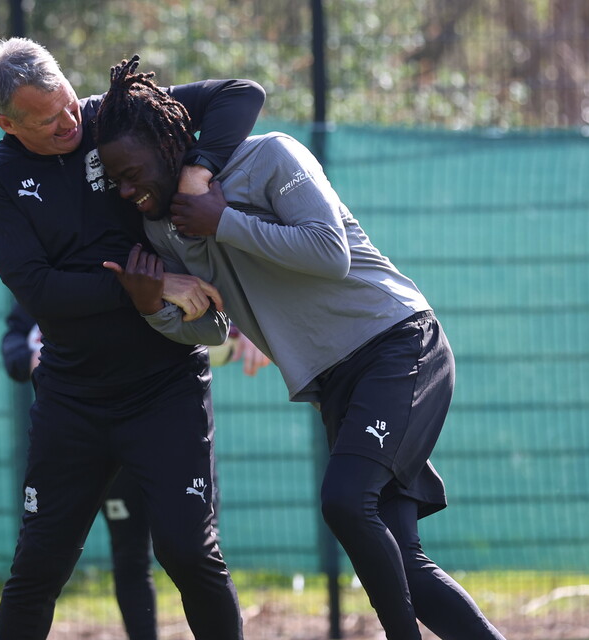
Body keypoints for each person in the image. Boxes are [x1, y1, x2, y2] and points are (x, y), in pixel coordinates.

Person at [96, 58, 506, 640]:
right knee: (404, 564)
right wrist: (153, 305)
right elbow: (213, 330)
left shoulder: (272, 156)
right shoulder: (165, 229)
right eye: (115, 181)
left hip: (397, 342)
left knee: (345, 502)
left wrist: (223, 220)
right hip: (335, 384)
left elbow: (328, 252)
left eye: (131, 173)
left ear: (168, 148)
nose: (126, 190)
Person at [0, 38, 264, 640]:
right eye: (47, 120)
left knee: (189, 553)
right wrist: (144, 289)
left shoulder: (115, 115)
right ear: (6, 123)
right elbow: (41, 292)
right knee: (37, 571)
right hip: (72, 401)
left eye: (69, 104)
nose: (70, 123)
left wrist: (197, 170)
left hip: (166, 388)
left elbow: (242, 95)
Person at [1, 301, 269, 640]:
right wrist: (31, 359)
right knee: (110, 559)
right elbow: (13, 343)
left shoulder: (168, 258)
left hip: (167, 422)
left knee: (192, 554)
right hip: (85, 426)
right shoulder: (43, 274)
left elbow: (222, 280)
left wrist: (250, 326)